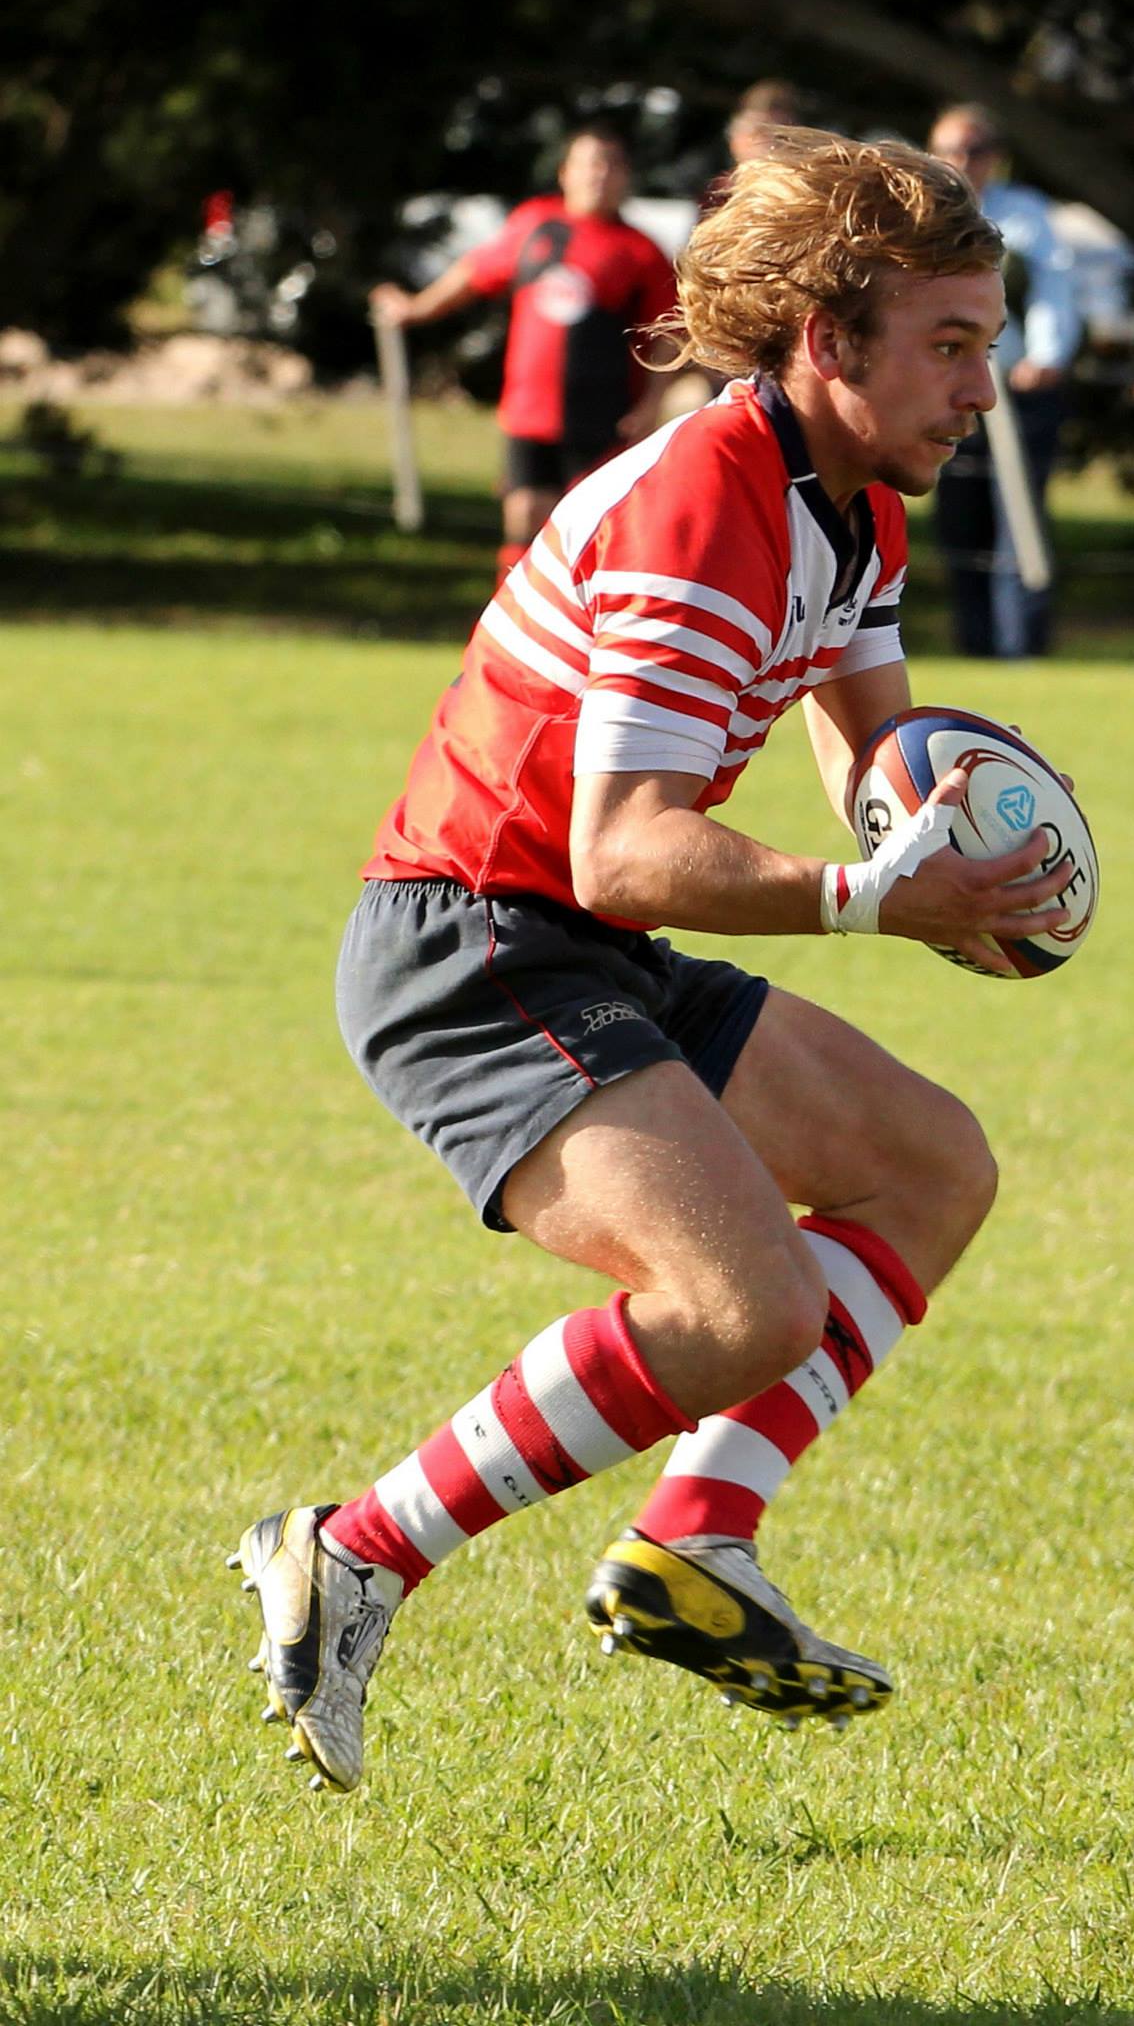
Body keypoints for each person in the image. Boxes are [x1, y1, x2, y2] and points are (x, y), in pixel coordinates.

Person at [231, 128, 1081, 1795]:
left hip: (585, 939)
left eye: (987, 342)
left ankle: (694, 1540)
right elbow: (622, 843)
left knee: (930, 1163)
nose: (981, 387)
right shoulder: (704, 506)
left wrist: (956, 854)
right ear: (827, 341)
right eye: (948, 345)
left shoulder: (854, 510)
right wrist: (873, 898)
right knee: (739, 1306)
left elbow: (871, 757)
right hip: (474, 944)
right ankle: (352, 1550)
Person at [370, 126, 678, 588]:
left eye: (611, 164)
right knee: (523, 516)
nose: (599, 174)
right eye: (589, 163)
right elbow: (474, 271)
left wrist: (652, 403)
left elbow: (665, 335)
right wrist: (417, 308)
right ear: (565, 172)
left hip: (602, 414)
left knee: (590, 527)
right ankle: (509, 611)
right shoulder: (535, 224)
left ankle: (579, 617)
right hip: (530, 410)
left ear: (626, 177)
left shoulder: (641, 252)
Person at [927, 104, 1080, 659]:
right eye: (951, 150)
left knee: (1019, 519)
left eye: (975, 151)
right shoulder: (920, 217)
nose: (963, 162)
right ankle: (974, 644)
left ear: (995, 157)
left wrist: (1046, 357)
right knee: (960, 520)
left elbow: (1054, 291)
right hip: (946, 390)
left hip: (1016, 389)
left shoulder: (1026, 216)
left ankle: (1021, 646)